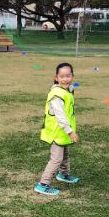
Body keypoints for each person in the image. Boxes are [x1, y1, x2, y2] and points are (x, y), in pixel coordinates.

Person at [34, 63, 80, 196]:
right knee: (56, 158)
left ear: (72, 76)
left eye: (68, 76)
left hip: (63, 133)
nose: (65, 79)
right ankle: (43, 184)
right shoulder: (57, 94)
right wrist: (70, 131)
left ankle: (63, 174)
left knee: (65, 154)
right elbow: (60, 116)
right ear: (56, 78)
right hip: (57, 131)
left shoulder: (67, 91)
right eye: (62, 76)